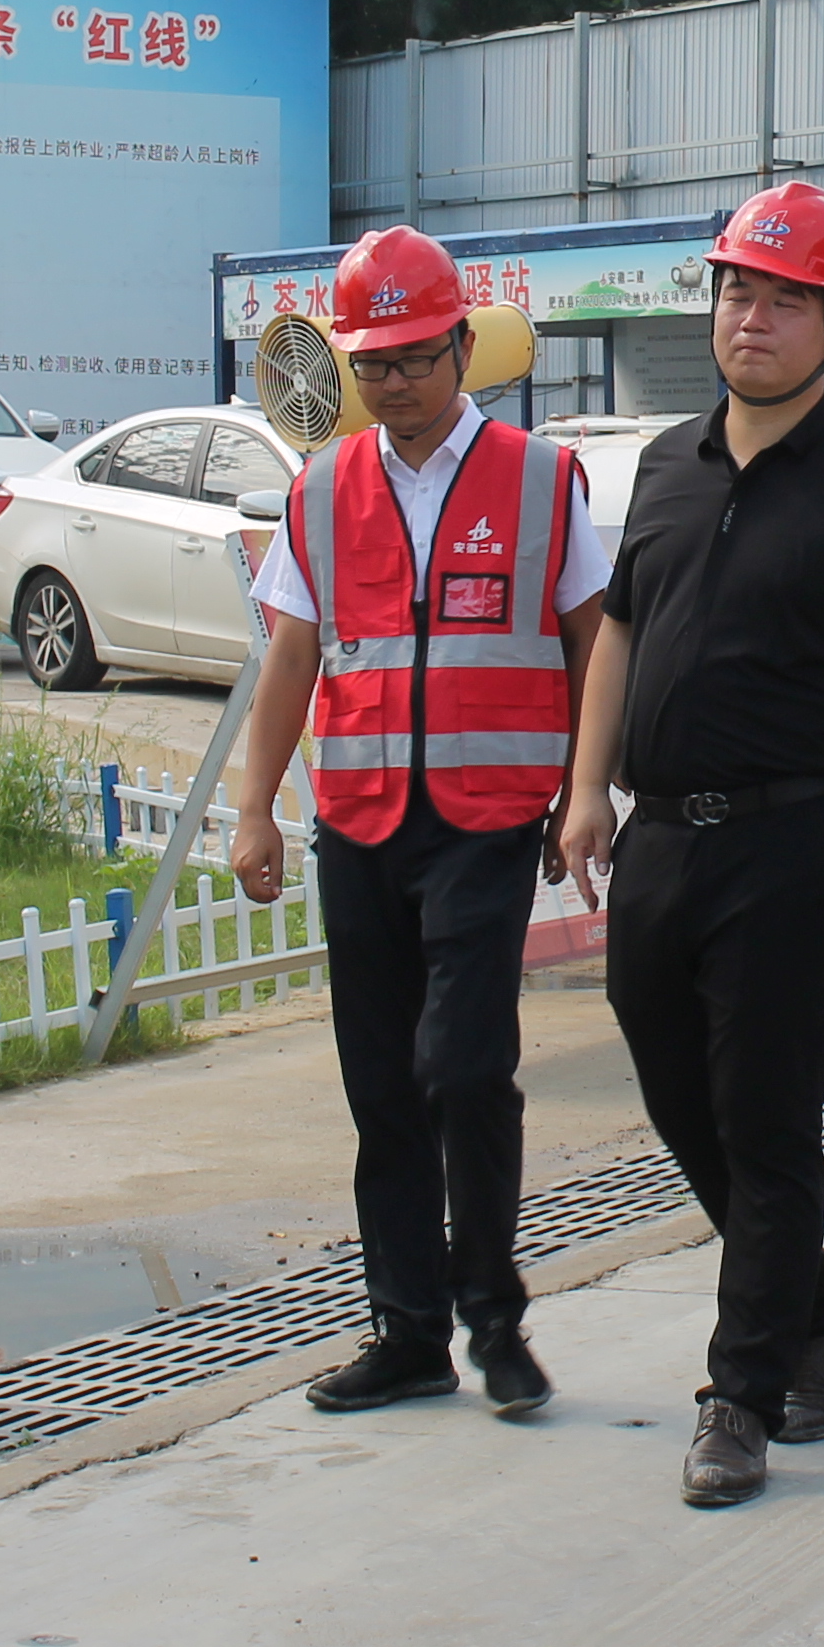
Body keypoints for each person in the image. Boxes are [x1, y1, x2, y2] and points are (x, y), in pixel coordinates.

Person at [556, 183, 824, 1509]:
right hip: (663, 839)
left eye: (787, 301)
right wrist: (585, 788)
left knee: (767, 1120)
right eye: (738, 292)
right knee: (685, 1102)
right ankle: (820, 1311)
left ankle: (742, 1393)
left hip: (798, 842)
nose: (754, 319)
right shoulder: (665, 465)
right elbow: (620, 629)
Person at [228, 227, 606, 1422]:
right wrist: (255, 809)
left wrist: (591, 787)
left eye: (413, 357)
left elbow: (596, 643)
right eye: (372, 362)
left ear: (460, 346)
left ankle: (493, 1312)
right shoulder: (322, 487)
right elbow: (292, 657)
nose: (393, 381)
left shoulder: (541, 479)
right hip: (359, 822)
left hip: (488, 822)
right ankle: (405, 1332)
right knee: (383, 1085)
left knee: (466, 1067)